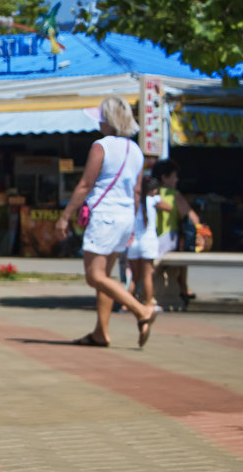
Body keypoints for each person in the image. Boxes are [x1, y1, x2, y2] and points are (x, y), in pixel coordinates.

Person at [56, 96, 159, 348]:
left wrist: (65, 216)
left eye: (101, 119)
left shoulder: (100, 146)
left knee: (94, 276)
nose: (98, 124)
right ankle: (101, 333)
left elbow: (86, 184)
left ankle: (141, 310)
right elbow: (137, 192)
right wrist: (133, 224)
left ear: (109, 121)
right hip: (125, 217)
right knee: (106, 276)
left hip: (105, 216)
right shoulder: (135, 150)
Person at [151, 159, 200, 302]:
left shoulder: (148, 194)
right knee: (183, 251)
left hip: (147, 242)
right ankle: (183, 286)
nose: (177, 179)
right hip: (166, 243)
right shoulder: (173, 195)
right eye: (174, 176)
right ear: (164, 178)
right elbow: (193, 218)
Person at [126, 177, 162, 310]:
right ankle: (148, 303)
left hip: (133, 243)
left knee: (134, 277)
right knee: (147, 275)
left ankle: (126, 304)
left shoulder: (133, 202)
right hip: (148, 242)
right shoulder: (154, 200)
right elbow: (168, 207)